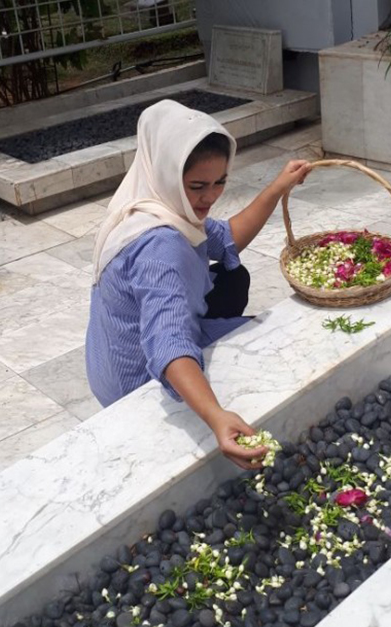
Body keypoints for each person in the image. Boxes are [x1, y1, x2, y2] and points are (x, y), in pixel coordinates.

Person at [85, 100, 311, 468]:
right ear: (167, 174)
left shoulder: (150, 204)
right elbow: (168, 339)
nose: (210, 196)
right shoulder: (160, 247)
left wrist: (278, 187)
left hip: (107, 363)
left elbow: (226, 237)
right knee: (273, 343)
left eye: (220, 182)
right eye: (197, 186)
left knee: (235, 279)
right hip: (134, 379)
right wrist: (215, 416)